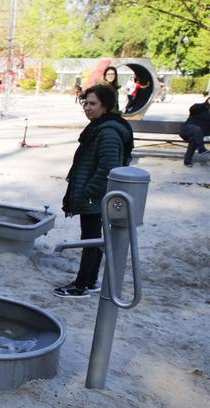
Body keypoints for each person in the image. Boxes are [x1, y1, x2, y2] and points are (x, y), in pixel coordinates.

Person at [56, 84, 133, 298]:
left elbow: (108, 168)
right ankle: (90, 281)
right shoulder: (100, 128)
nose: (87, 108)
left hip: (96, 195)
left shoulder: (107, 132)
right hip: (95, 194)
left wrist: (88, 192)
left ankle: (80, 285)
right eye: (85, 103)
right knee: (95, 238)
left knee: (90, 239)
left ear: (105, 106)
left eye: (92, 104)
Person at [179, 96, 210, 167]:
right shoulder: (199, 108)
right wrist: (205, 104)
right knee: (197, 129)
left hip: (197, 135)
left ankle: (187, 161)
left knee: (194, 140)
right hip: (186, 130)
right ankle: (201, 149)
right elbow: (192, 109)